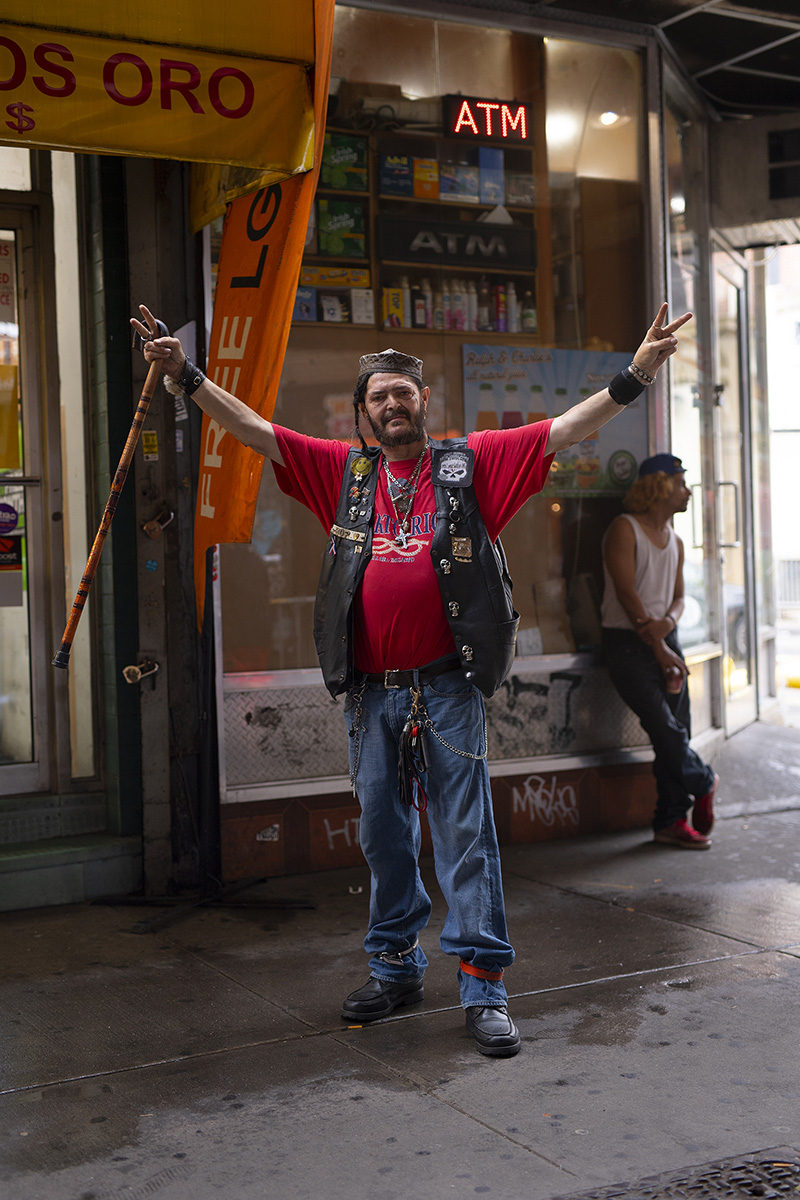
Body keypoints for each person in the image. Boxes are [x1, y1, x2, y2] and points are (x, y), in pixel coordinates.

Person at [131, 301, 690, 1057]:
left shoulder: (471, 464)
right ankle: (394, 969)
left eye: (403, 391)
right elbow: (256, 430)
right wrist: (187, 375)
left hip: (448, 687)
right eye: (379, 396)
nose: (392, 403)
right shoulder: (344, 472)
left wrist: (637, 374)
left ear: (424, 400)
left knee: (465, 836)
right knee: (383, 837)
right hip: (370, 693)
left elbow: (564, 430)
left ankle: (484, 988)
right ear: (363, 413)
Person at [601, 453, 718, 850]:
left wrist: (668, 624)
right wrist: (658, 644)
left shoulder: (676, 540)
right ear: (660, 485)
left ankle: (670, 821)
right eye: (681, 483)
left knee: (675, 729)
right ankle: (704, 780)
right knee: (664, 727)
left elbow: (680, 597)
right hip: (628, 644)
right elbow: (626, 594)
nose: (687, 492)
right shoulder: (625, 528)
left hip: (667, 639)